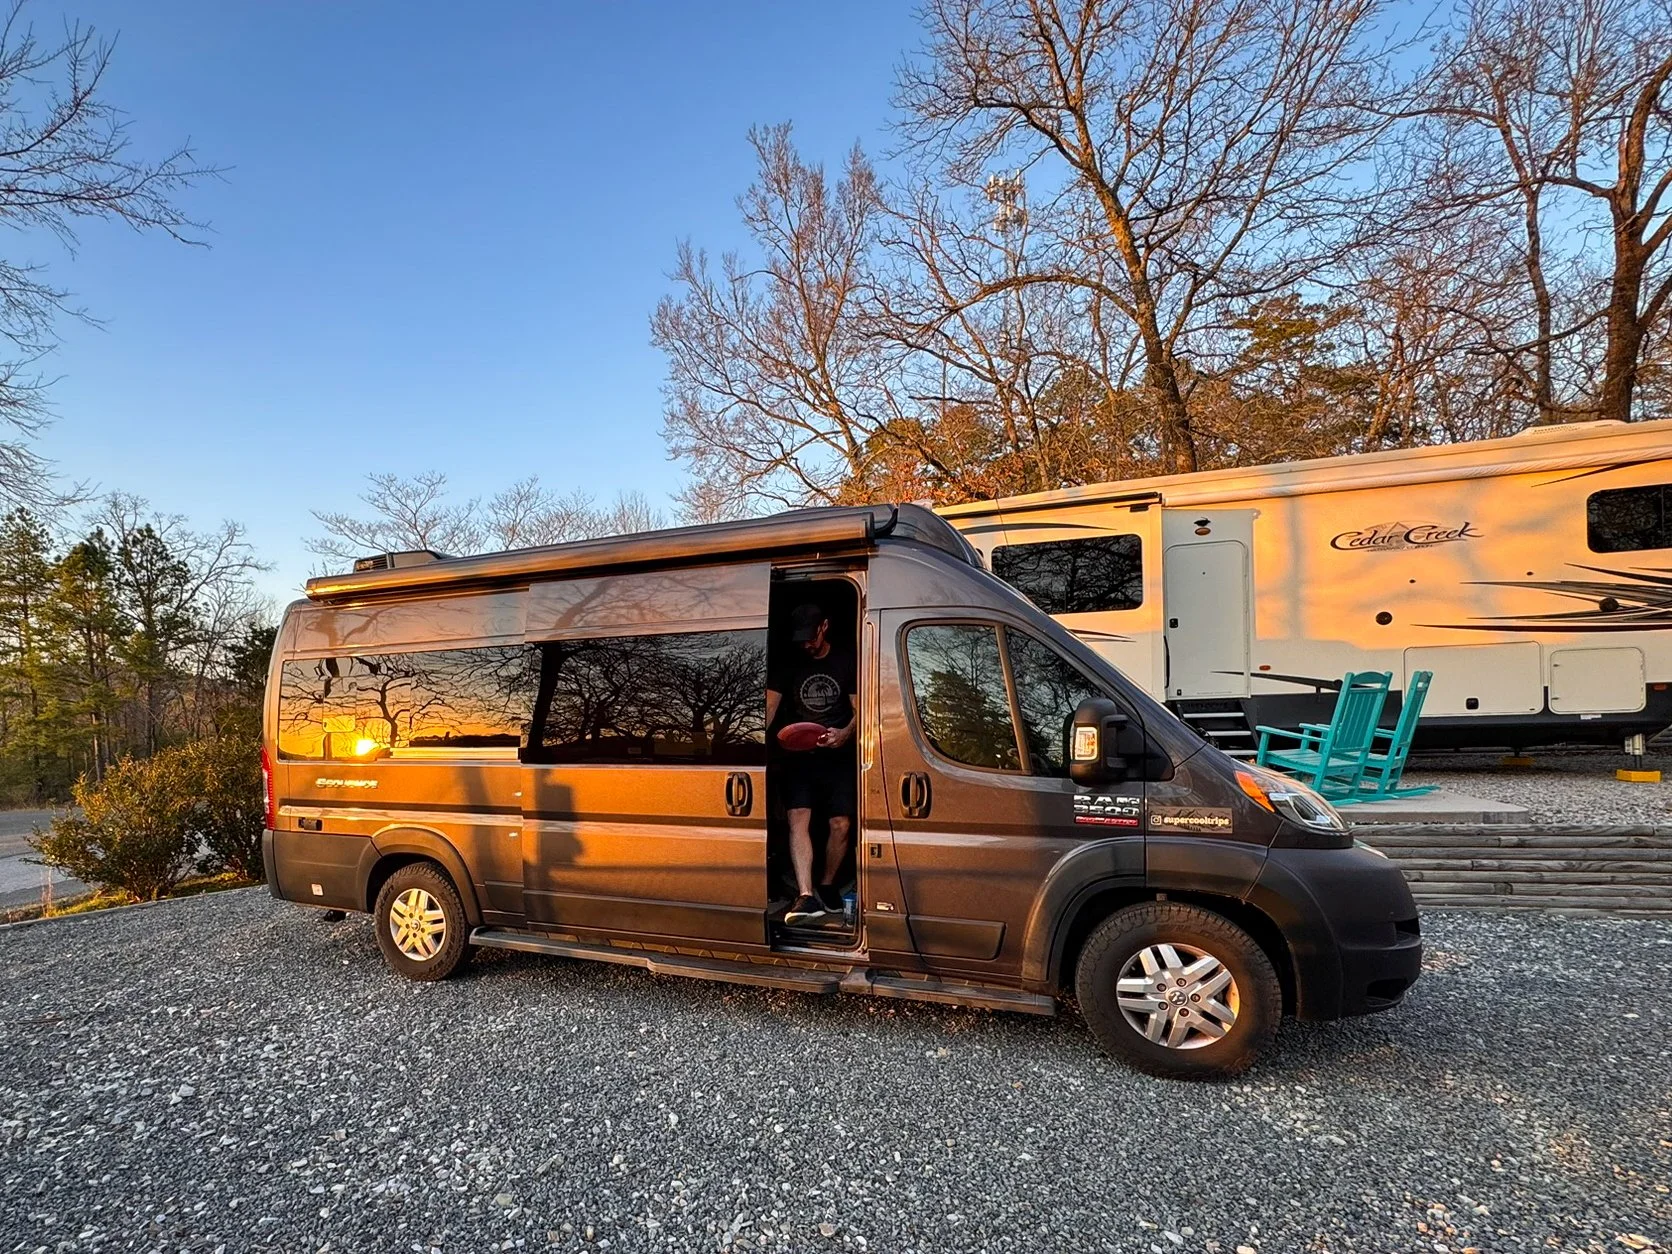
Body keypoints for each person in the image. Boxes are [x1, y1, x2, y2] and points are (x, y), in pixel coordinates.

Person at [766, 602, 858, 925]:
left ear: (825, 627)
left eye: (811, 636)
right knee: (798, 820)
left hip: (838, 754)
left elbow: (862, 711)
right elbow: (768, 710)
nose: (806, 644)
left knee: (841, 825)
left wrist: (845, 734)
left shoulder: (846, 659)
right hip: (798, 756)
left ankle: (828, 884)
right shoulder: (788, 662)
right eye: (801, 638)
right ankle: (805, 895)